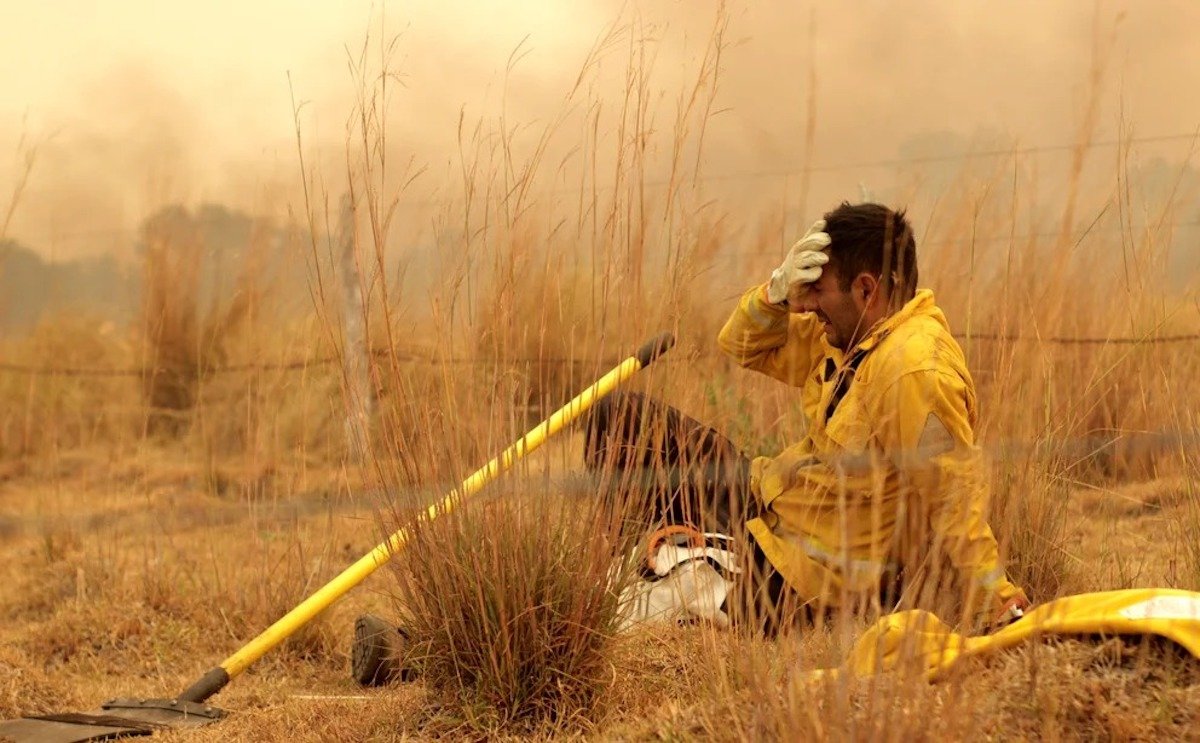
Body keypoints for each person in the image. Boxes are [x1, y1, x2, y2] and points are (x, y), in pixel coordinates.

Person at [584, 202, 1030, 634]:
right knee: (620, 419)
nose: (807, 304)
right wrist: (775, 292)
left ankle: (666, 561)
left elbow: (952, 497)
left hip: (806, 575)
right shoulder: (847, 334)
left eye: (818, 289)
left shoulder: (915, 369)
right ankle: (647, 549)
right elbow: (741, 345)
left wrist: (998, 599)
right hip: (769, 503)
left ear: (866, 290)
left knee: (635, 601)